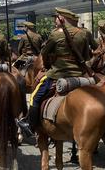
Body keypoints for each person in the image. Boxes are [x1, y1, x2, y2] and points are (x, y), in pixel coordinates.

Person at [17, 8, 91, 136]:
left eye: (56, 17)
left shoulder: (55, 34)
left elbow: (44, 53)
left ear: (62, 18)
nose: (55, 20)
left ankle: (30, 125)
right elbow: (86, 56)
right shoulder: (83, 34)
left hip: (58, 73)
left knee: (35, 97)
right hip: (78, 74)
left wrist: (46, 65)